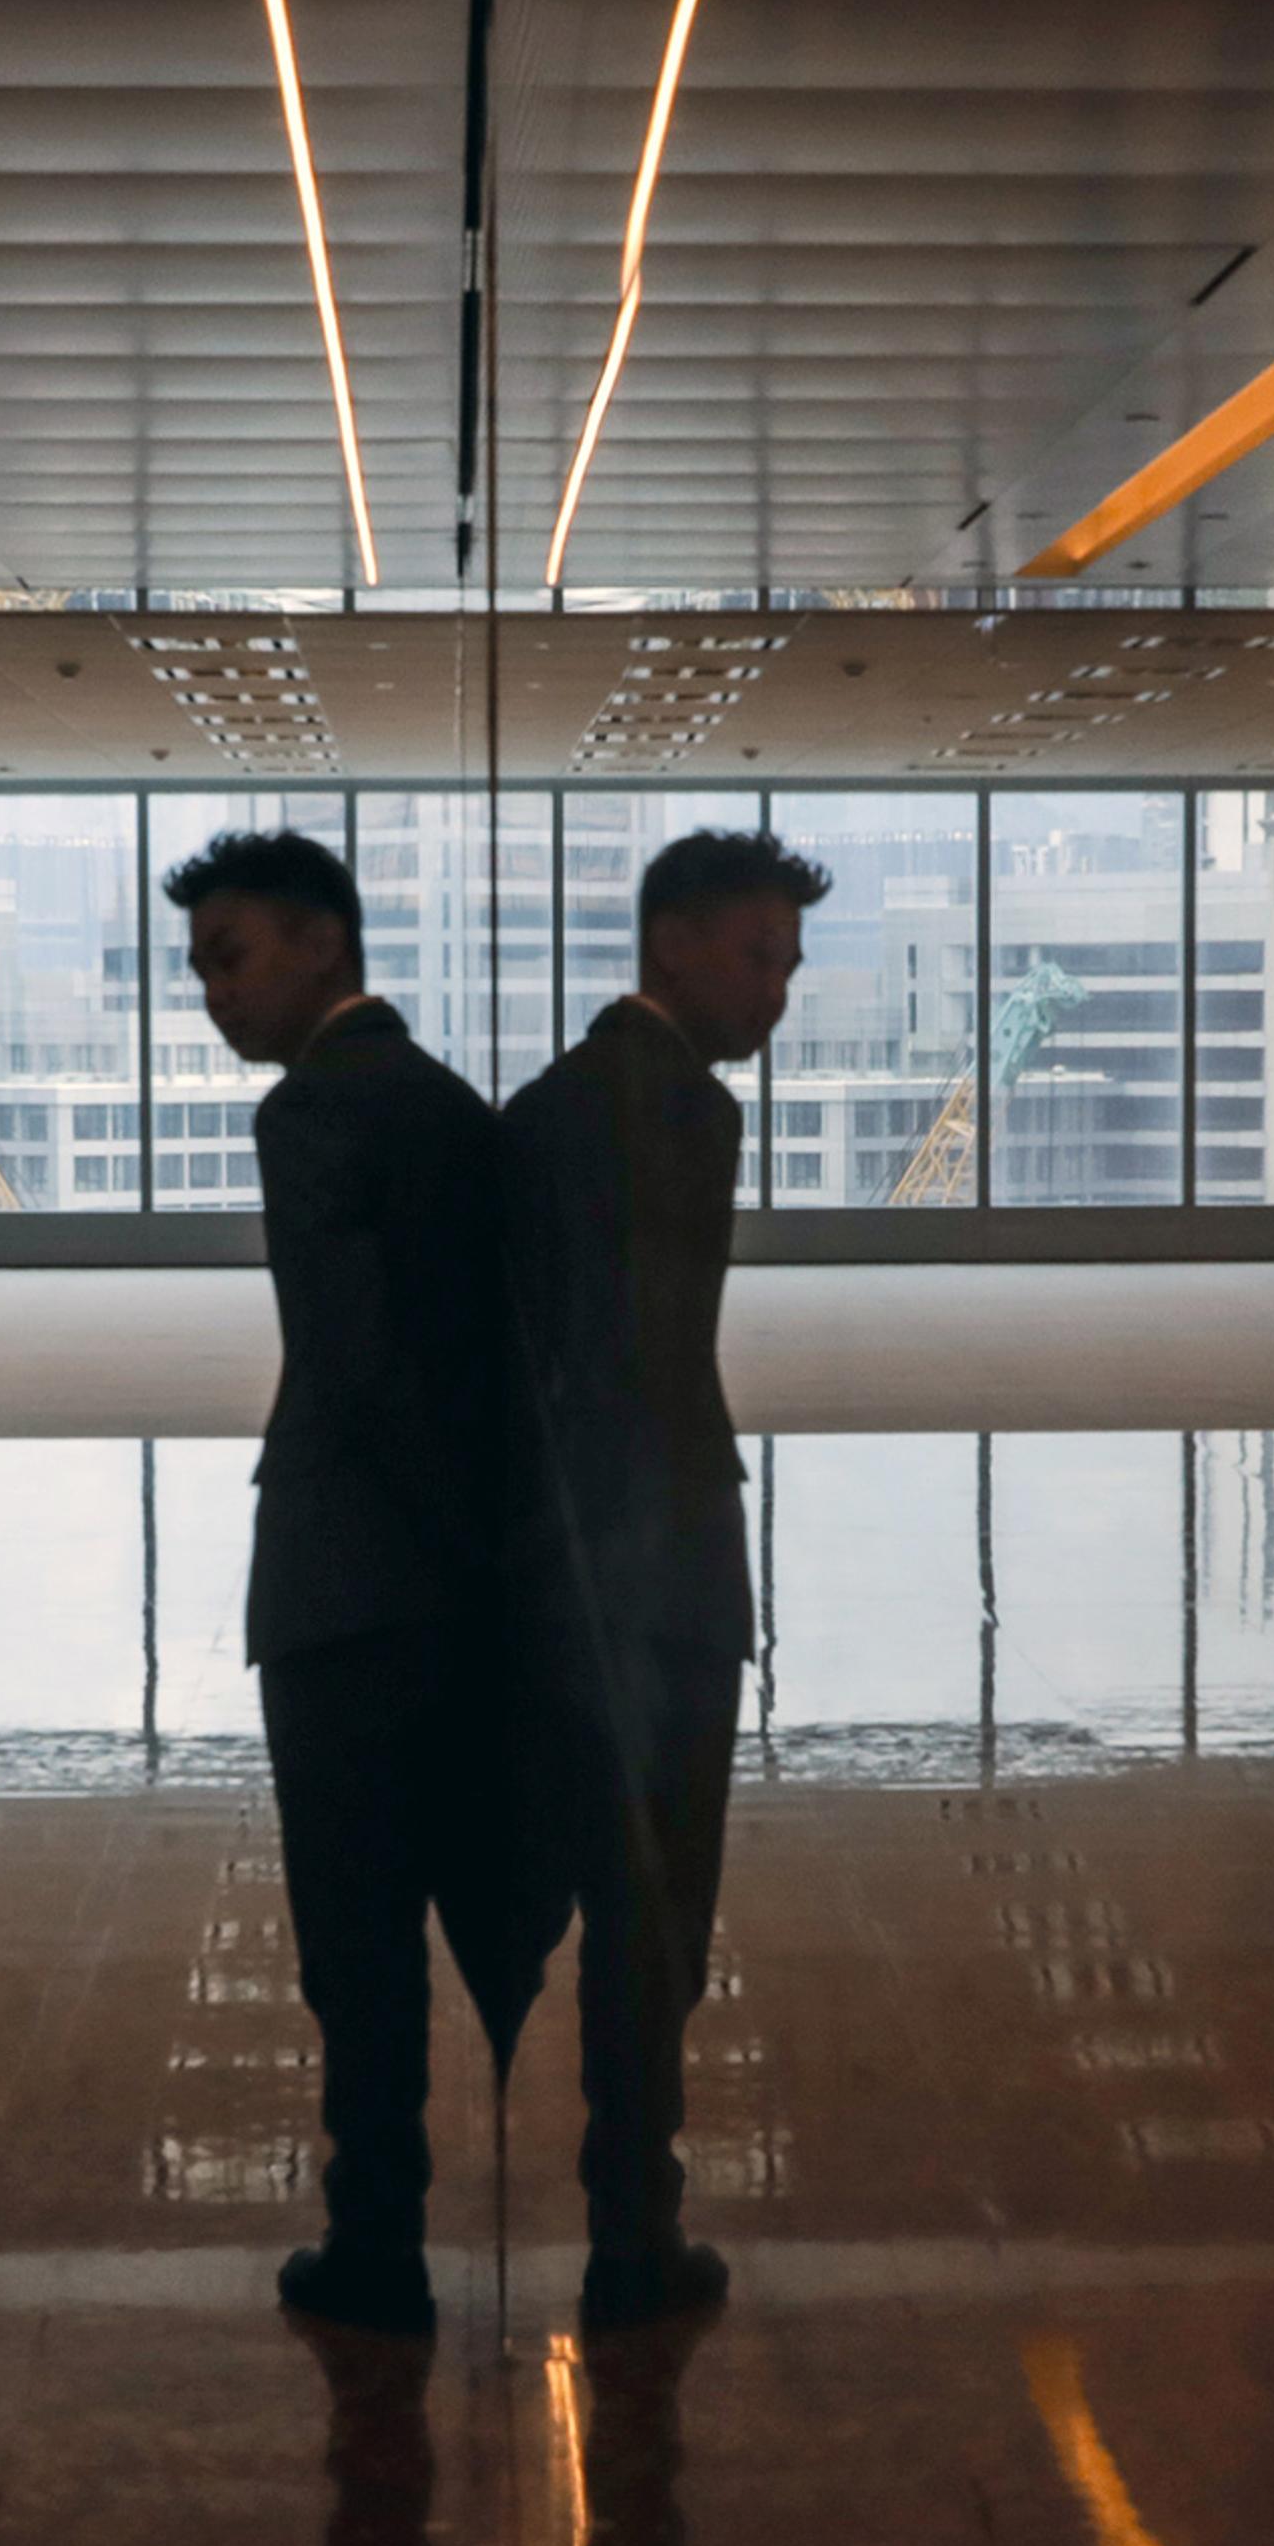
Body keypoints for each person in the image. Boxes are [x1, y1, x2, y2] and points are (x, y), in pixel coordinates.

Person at [166, 825, 548, 2336]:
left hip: (351, 1584)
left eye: (230, 958)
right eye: (202, 971)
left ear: (325, 942)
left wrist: (418, 1540)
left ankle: (374, 2241)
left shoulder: (316, 1112)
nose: (213, 996)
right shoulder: (446, 1098)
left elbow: (351, 1360)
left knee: (357, 1933)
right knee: (449, 1904)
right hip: (460, 1579)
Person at [501, 827, 827, 2331]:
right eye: (760, 955)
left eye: (789, 961)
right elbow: (632, 1364)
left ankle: (629, 2203)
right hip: (650, 1574)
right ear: (674, 945)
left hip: (594, 1566)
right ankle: (635, 2225)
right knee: (654, 1911)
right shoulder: (666, 1110)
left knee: (624, 1905)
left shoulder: (565, 1102)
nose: (781, 989)